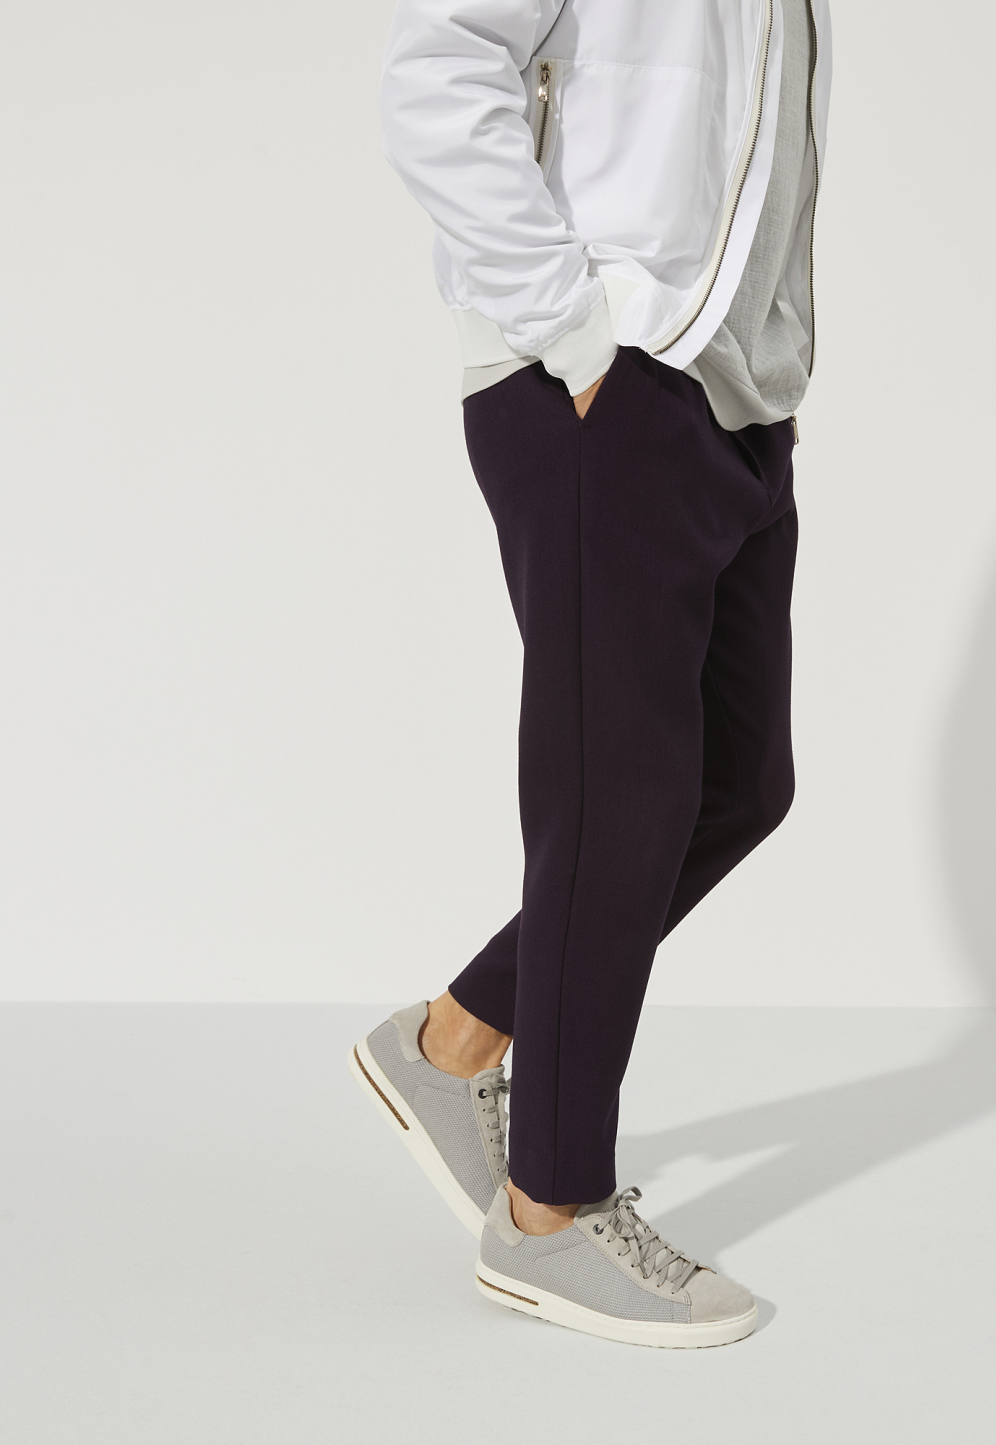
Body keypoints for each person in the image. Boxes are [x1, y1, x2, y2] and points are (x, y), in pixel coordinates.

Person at [349, 0, 831, 1348]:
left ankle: (452, 1041)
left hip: (731, 399)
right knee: (616, 803)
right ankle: (548, 1214)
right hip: (602, 384)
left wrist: (771, 373)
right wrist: (572, 330)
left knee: (737, 784)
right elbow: (438, 64)